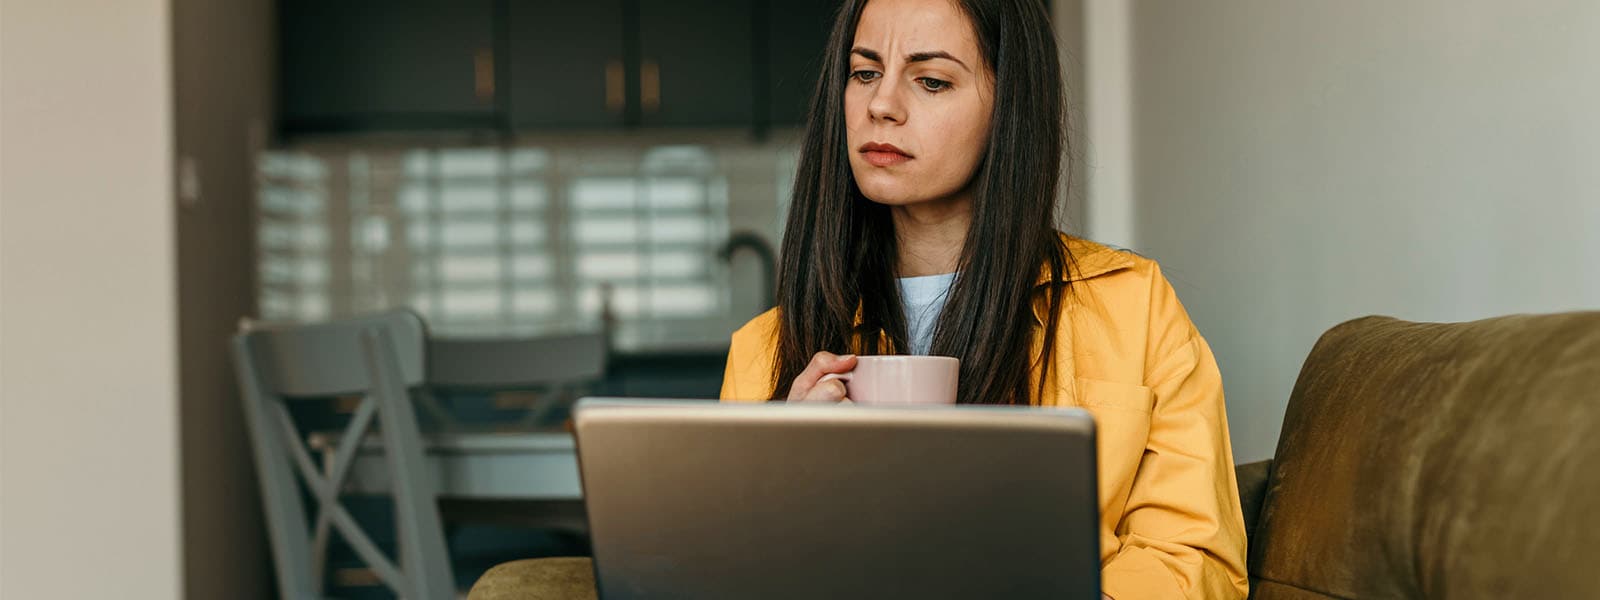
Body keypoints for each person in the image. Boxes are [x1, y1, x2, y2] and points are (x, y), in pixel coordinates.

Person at [718, 0, 1248, 597]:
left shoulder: (1134, 307)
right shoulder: (765, 351)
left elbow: (1194, 559)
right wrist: (790, 497)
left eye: (932, 80)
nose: (881, 105)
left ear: (1009, 108)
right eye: (864, 72)